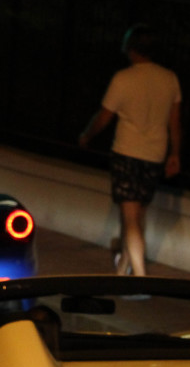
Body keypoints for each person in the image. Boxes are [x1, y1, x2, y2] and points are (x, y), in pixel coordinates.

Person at [78, 23, 182, 277]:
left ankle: (139, 277)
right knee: (135, 217)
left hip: (127, 153)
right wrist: (174, 153)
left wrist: (87, 135)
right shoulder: (170, 79)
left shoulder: (123, 78)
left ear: (131, 48)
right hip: (154, 155)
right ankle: (122, 271)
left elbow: (104, 117)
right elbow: (174, 122)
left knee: (130, 217)